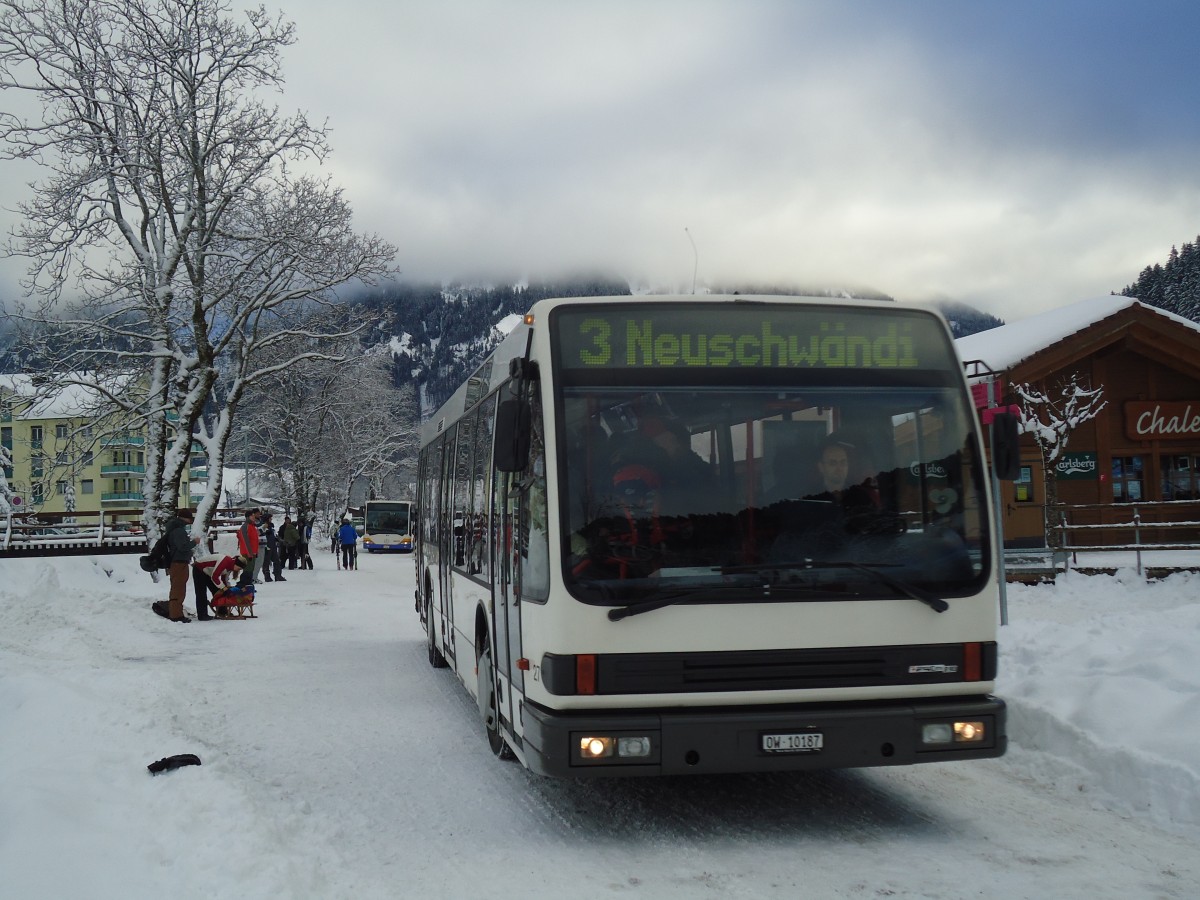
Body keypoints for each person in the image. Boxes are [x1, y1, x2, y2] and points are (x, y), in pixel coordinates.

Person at [152, 508, 200, 622]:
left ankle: (175, 612)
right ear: (185, 518)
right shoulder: (179, 531)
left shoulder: (174, 529)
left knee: (177, 588)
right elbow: (182, 547)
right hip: (179, 563)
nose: (190, 520)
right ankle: (176, 615)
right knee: (178, 589)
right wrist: (194, 542)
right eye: (189, 518)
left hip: (177, 562)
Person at [191, 552, 243, 621]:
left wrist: (226, 589)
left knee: (218, 591)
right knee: (201, 592)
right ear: (236, 564)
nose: (238, 570)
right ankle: (202, 615)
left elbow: (224, 580)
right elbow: (215, 577)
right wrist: (223, 588)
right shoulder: (225, 561)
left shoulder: (230, 566)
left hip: (208, 572)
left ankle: (222, 611)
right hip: (199, 568)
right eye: (239, 568)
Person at [236, 508, 261, 587]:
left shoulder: (252, 526)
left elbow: (255, 540)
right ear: (248, 517)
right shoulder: (245, 527)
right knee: (247, 569)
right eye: (252, 516)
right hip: (247, 553)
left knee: (251, 569)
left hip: (252, 552)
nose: (254, 517)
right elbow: (245, 541)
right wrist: (250, 553)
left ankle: (248, 584)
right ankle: (243, 584)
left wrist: (255, 552)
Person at [261, 514, 284, 582]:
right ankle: (267, 576)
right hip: (267, 546)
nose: (271, 519)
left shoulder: (271, 527)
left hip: (273, 545)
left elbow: (272, 535)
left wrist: (276, 539)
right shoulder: (263, 526)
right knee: (266, 562)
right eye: (270, 518)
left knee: (276, 560)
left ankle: (278, 575)